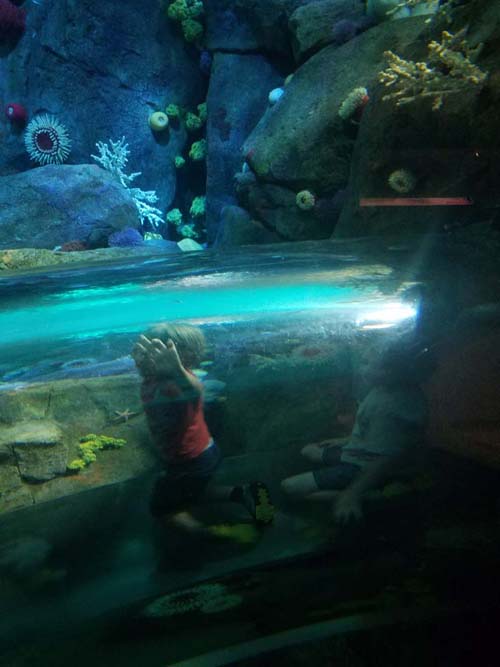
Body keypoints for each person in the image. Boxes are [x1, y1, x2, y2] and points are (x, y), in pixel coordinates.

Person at [132, 322, 274, 541]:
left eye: (153, 350)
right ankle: (243, 492)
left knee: (162, 508)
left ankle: (214, 535)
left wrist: (177, 370)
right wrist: (143, 365)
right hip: (196, 455)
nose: (143, 355)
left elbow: (193, 390)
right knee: (190, 493)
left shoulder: (178, 383)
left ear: (179, 357)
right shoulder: (154, 379)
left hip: (190, 459)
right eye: (143, 350)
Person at [281, 339, 430, 524]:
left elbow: (383, 460)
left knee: (289, 487)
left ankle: (369, 496)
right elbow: (389, 435)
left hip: (365, 465)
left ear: (389, 372)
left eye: (368, 364)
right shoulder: (389, 389)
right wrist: (347, 439)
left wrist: (352, 494)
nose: (362, 369)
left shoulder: (387, 408)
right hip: (360, 450)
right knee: (309, 450)